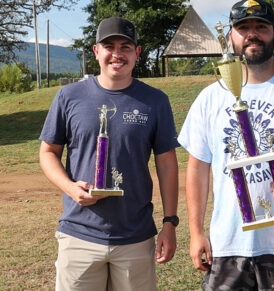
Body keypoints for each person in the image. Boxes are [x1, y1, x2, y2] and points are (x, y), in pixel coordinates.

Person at [178, 0, 274, 289]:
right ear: (231, 36)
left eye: (261, 27)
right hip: (228, 243)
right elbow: (197, 168)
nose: (252, 34)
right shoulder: (209, 98)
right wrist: (195, 232)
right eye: (243, 28)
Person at [39, 16, 180, 290]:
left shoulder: (155, 101)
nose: (117, 54)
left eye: (126, 46)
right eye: (109, 46)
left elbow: (167, 163)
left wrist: (170, 223)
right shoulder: (69, 96)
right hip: (79, 235)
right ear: (96, 51)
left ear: (137, 53)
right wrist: (70, 187)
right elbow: (47, 152)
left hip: (135, 237)